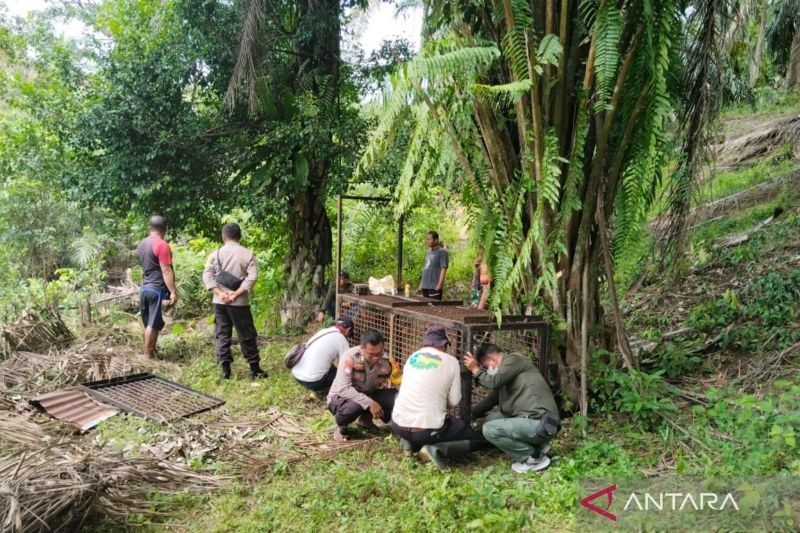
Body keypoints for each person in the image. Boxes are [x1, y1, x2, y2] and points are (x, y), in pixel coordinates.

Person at [391, 325, 483, 470]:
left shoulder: (412, 357)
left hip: (398, 425)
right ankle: (435, 449)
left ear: (425, 343)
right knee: (474, 437)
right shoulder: (451, 361)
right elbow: (454, 401)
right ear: (444, 344)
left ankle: (408, 443)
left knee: (401, 398)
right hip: (426, 432)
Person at [464, 343, 559, 473]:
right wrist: (468, 414)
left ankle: (533, 458)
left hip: (543, 423)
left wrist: (475, 369)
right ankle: (540, 447)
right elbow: (491, 400)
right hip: (533, 421)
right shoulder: (506, 376)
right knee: (490, 420)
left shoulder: (514, 360)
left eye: (485, 366)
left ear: (491, 359)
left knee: (490, 429)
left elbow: (493, 382)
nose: (487, 370)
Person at [202, 222, 267, 380]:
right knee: (246, 333)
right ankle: (254, 369)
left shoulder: (214, 254)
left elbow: (207, 276)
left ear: (223, 237)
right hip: (239, 303)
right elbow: (252, 277)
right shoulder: (247, 254)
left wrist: (219, 293)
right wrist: (236, 294)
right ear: (240, 237)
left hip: (219, 302)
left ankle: (225, 371)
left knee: (222, 334)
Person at [327, 330, 397, 442]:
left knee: (397, 397)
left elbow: (396, 378)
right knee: (354, 406)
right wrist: (370, 403)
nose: (376, 358)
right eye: (371, 354)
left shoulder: (385, 360)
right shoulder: (350, 357)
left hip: (367, 394)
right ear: (362, 348)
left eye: (379, 353)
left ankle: (365, 421)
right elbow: (343, 388)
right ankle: (340, 427)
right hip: (342, 397)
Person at [136, 215, 178, 358]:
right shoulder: (162, 245)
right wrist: (172, 291)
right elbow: (166, 270)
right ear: (165, 229)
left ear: (150, 228)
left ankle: (151, 351)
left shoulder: (141, 244)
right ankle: (147, 355)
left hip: (145, 288)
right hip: (157, 289)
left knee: (149, 324)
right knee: (153, 325)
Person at [292, 316, 354, 400]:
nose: (348, 337)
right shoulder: (341, 339)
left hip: (297, 375)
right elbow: (346, 365)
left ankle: (318, 389)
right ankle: (324, 392)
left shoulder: (323, 331)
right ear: (348, 329)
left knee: (333, 370)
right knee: (347, 374)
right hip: (312, 381)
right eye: (350, 334)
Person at [418, 231, 448, 300]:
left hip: (434, 286)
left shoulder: (442, 252)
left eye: (429, 239)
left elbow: (443, 268)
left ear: (435, 240)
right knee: (425, 308)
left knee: (434, 308)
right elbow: (425, 268)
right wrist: (421, 284)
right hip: (425, 286)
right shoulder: (429, 252)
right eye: (426, 239)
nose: (427, 241)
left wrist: (439, 285)